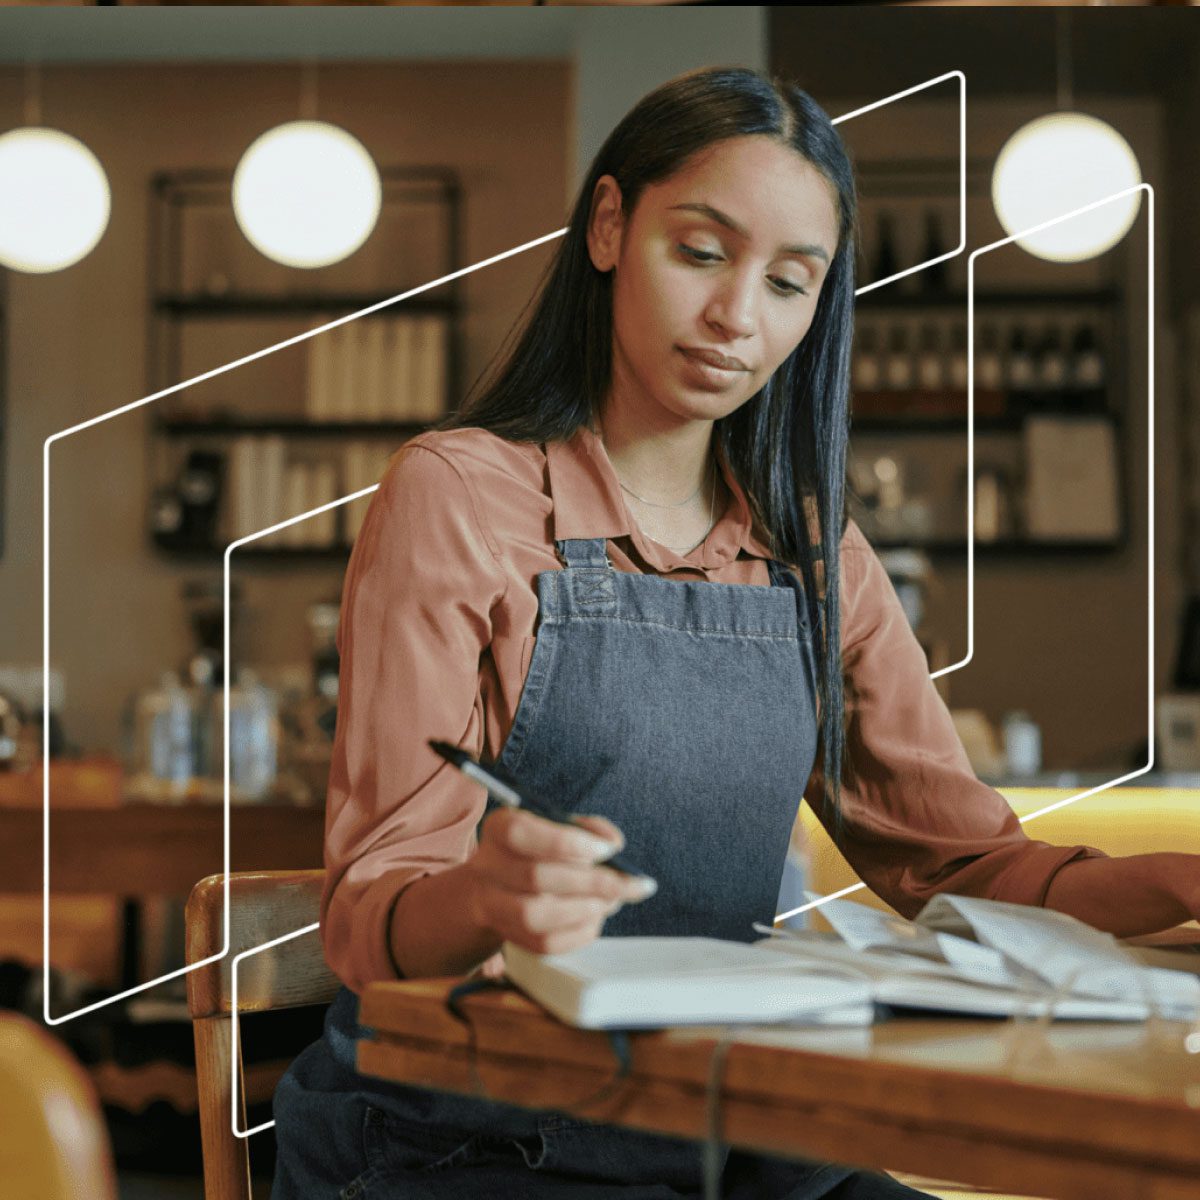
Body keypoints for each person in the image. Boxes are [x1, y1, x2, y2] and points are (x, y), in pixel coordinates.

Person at [271, 66, 1200, 1200]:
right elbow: (373, 912)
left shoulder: (814, 549)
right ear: (610, 227)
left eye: (789, 282)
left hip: (720, 1129)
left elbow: (963, 864)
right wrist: (484, 899)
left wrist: (1175, 884)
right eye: (701, 254)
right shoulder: (459, 494)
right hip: (471, 1137)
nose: (736, 318)